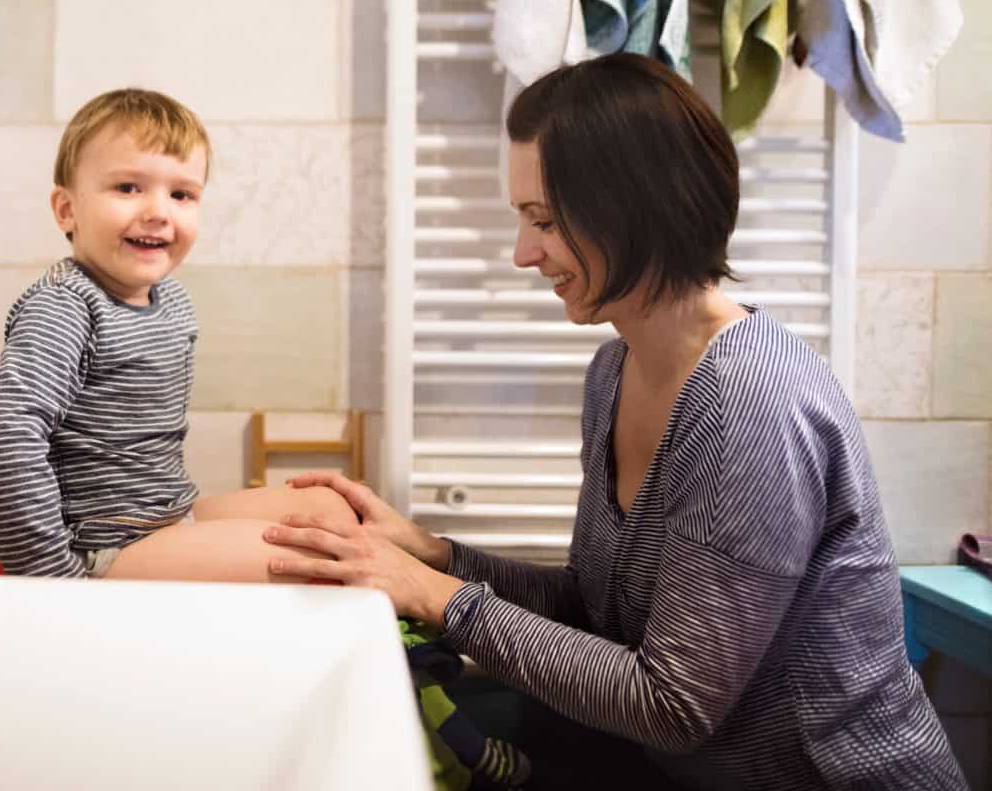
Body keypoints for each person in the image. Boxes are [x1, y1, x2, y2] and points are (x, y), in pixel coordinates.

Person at [264, 54, 967, 790]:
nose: (522, 254)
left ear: (632, 207)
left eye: (544, 220)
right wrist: (437, 556)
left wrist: (434, 596)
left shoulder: (750, 405)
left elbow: (672, 703)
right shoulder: (615, 371)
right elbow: (600, 614)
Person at [0, 87, 354, 581]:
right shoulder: (66, 307)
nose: (158, 211)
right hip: (99, 545)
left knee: (333, 510)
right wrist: (54, 582)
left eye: (181, 194)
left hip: (165, 516)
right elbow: (4, 442)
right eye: (128, 187)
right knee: (319, 561)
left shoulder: (171, 301)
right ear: (66, 210)